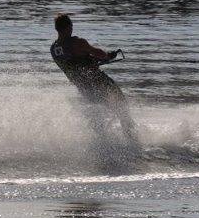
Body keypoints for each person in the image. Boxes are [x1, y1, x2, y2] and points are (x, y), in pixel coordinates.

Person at [50, 13, 137, 143]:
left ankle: (102, 144)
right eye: (72, 26)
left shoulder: (54, 49)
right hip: (98, 81)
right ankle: (132, 140)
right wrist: (108, 56)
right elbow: (99, 53)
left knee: (98, 115)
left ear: (57, 28)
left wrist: (91, 59)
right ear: (69, 27)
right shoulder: (77, 42)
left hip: (83, 87)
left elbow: (74, 62)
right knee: (121, 106)